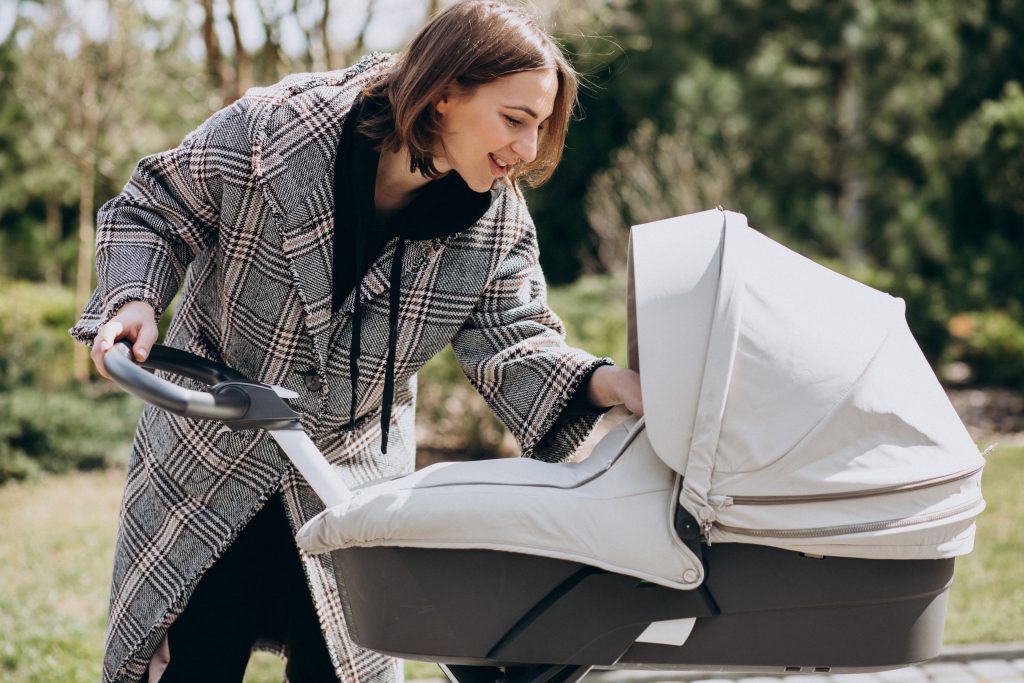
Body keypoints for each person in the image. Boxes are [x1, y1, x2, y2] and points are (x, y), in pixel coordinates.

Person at [71, 1, 643, 682]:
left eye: (539, 126)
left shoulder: (496, 223)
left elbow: (512, 336)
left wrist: (612, 383)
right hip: (209, 456)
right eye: (515, 119)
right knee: (188, 664)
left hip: (347, 479)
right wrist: (132, 297)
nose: (527, 148)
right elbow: (153, 207)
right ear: (443, 92)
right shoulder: (273, 131)